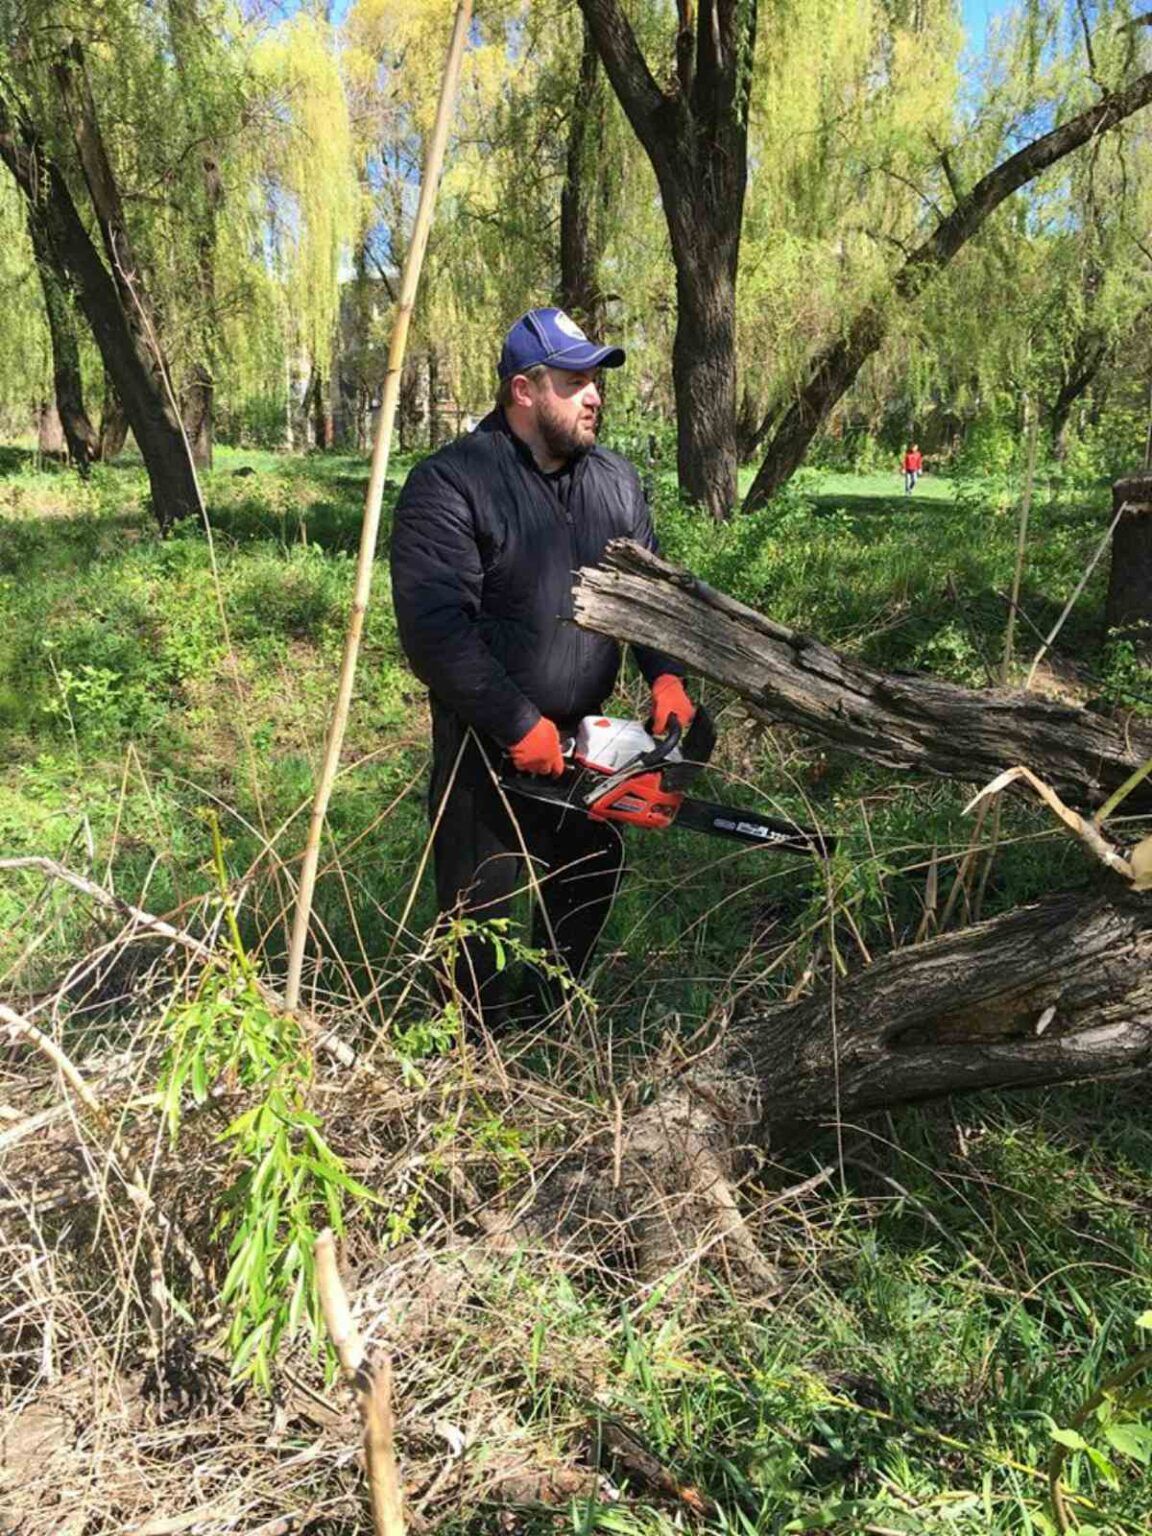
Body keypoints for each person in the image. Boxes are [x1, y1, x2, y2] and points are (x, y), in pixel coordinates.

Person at [390, 307, 694, 1031]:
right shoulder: (451, 483)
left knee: (586, 893)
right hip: (486, 752)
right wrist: (515, 722)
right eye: (575, 379)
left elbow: (652, 595)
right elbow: (435, 633)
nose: (595, 394)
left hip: (591, 747)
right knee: (478, 932)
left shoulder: (616, 482)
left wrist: (667, 675)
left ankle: (550, 1022)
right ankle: (478, 1057)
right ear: (523, 391)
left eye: (597, 379)